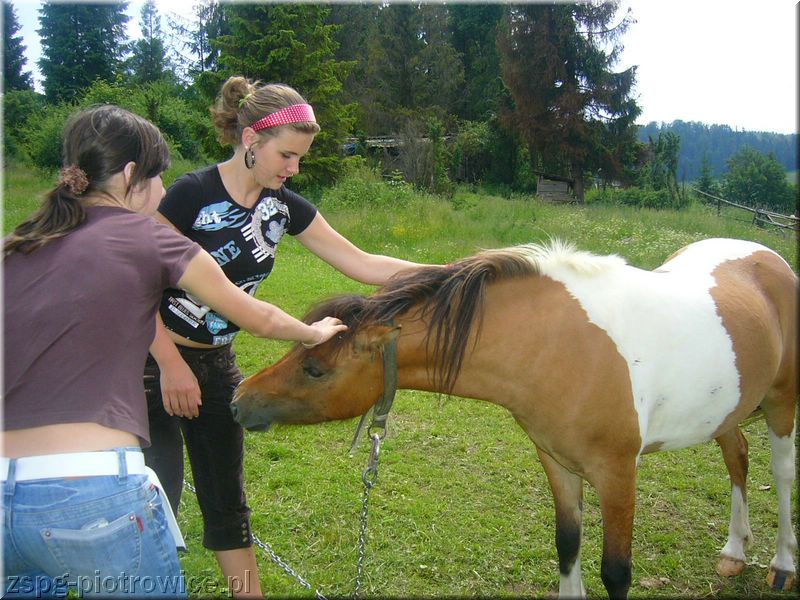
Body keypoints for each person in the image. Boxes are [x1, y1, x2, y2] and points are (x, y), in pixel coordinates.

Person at [2, 105, 347, 598]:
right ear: (129, 176)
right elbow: (260, 317)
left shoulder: (18, 244)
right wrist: (314, 334)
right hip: (92, 493)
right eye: (159, 176)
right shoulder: (148, 237)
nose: (166, 189)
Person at [144, 76, 422, 596]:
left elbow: (361, 263)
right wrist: (170, 365)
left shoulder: (281, 205)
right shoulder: (191, 195)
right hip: (149, 360)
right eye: (287, 156)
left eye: (300, 159)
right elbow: (132, 285)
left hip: (217, 363)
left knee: (227, 501)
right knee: (152, 495)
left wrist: (453, 271)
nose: (293, 170)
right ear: (251, 141)